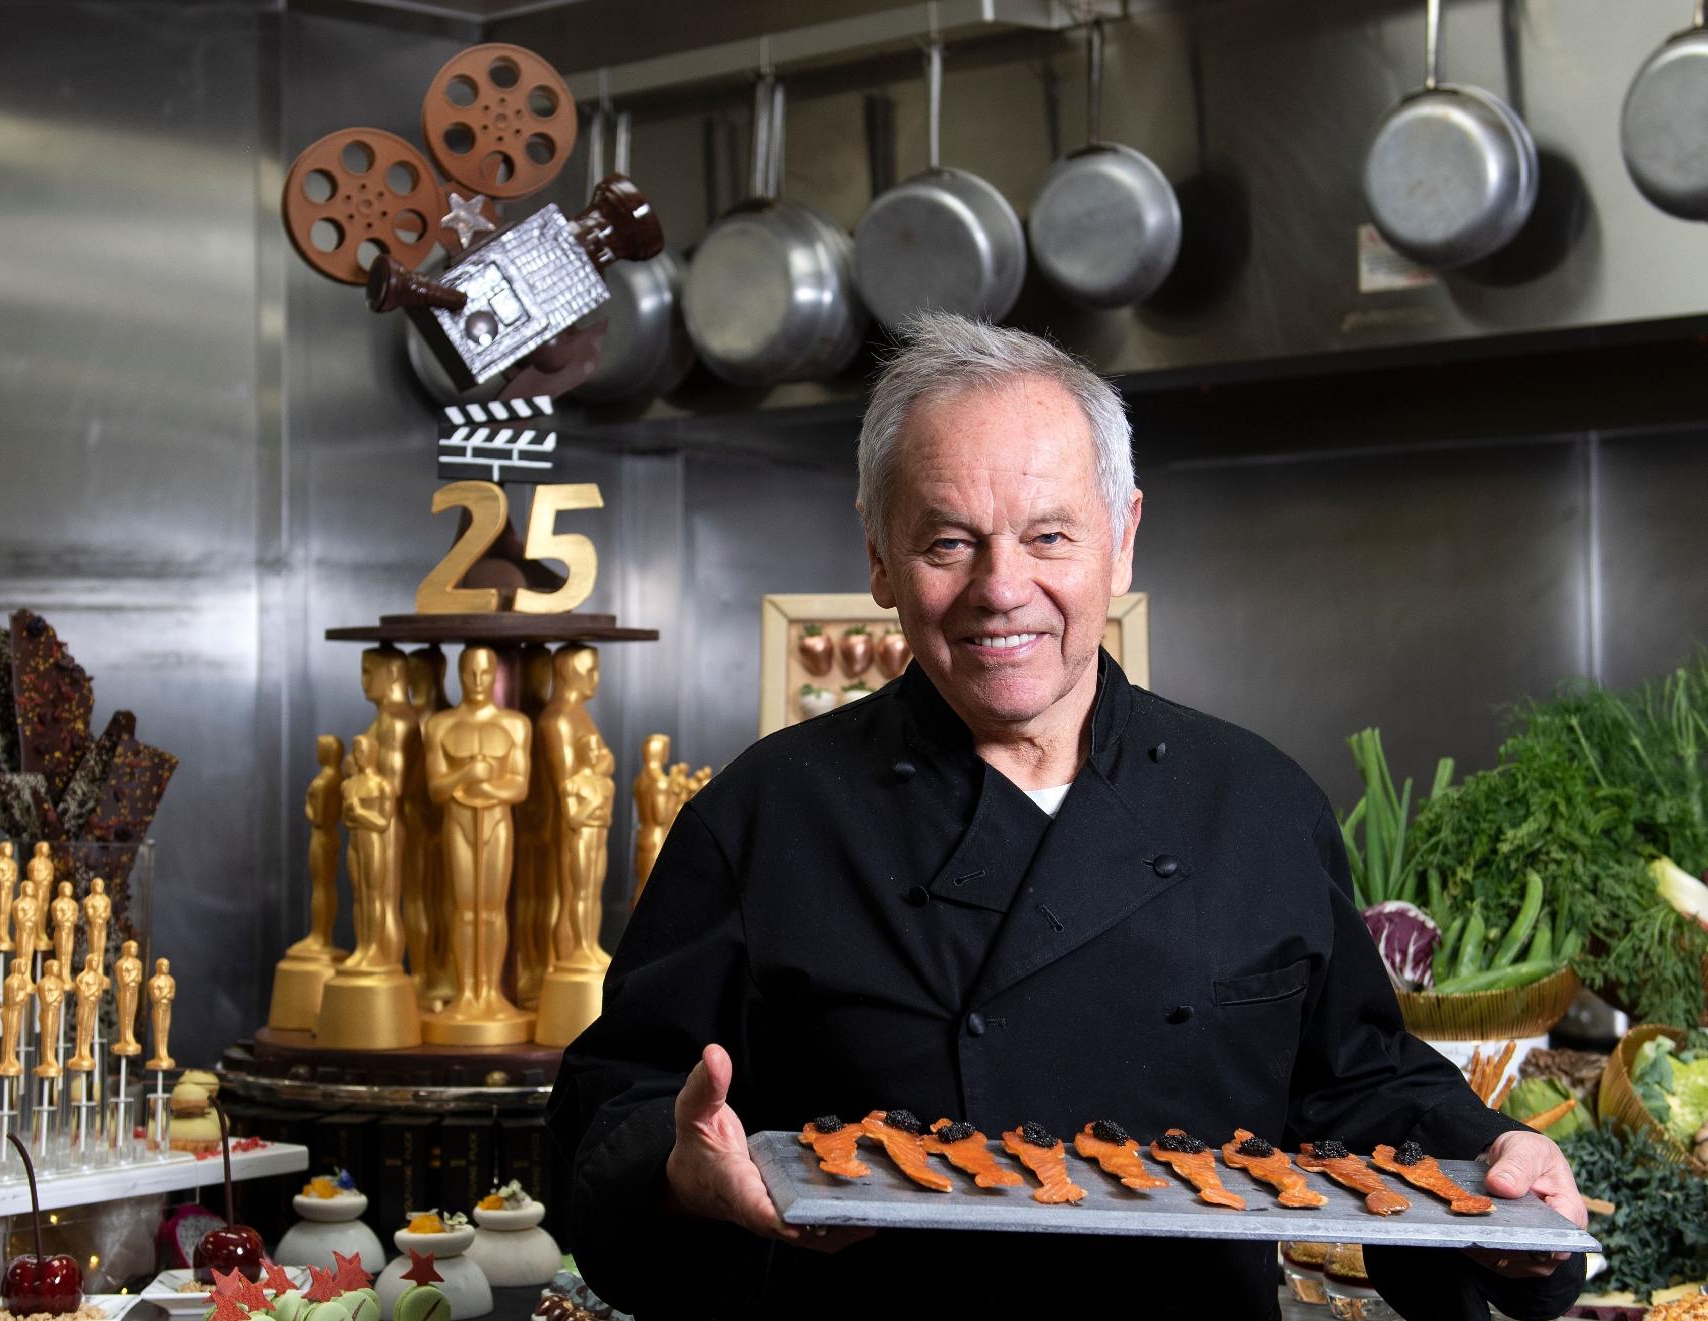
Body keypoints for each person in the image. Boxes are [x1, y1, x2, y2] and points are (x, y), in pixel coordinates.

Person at [547, 311, 1586, 1320]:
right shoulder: (762, 816)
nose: (1002, 588)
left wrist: (1497, 1179)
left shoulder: (1258, 805)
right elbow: (620, 1101)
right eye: (948, 542)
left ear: (1121, 540)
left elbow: (1356, 1090)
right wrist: (679, 1173)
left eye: (1049, 535)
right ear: (878, 556)